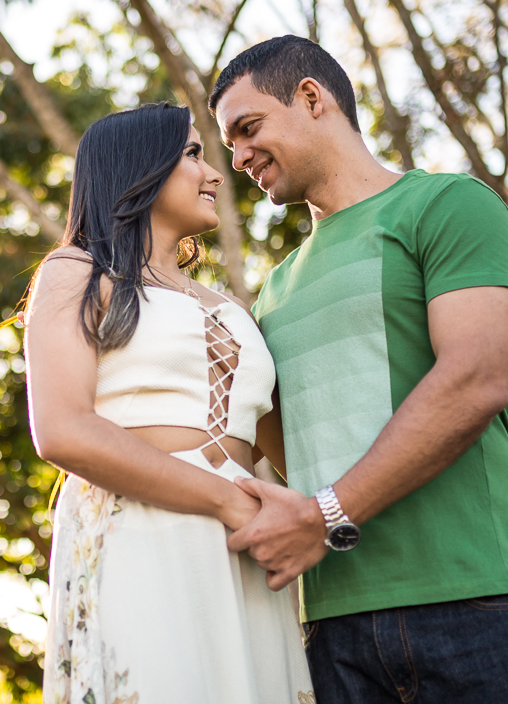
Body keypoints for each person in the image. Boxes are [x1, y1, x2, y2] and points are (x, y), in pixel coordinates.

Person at [209, 34, 508, 704]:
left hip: (479, 604)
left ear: (311, 97)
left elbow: (473, 381)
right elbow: (295, 451)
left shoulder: (446, 206)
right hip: (334, 631)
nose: (237, 158)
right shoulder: (272, 291)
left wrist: (325, 515)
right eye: (229, 144)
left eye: (247, 129)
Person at [24, 102, 315, 703]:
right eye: (192, 154)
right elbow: (62, 431)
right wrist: (227, 503)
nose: (215, 173)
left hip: (246, 554)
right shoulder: (77, 272)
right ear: (139, 168)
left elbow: (294, 453)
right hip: (141, 529)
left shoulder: (233, 305)